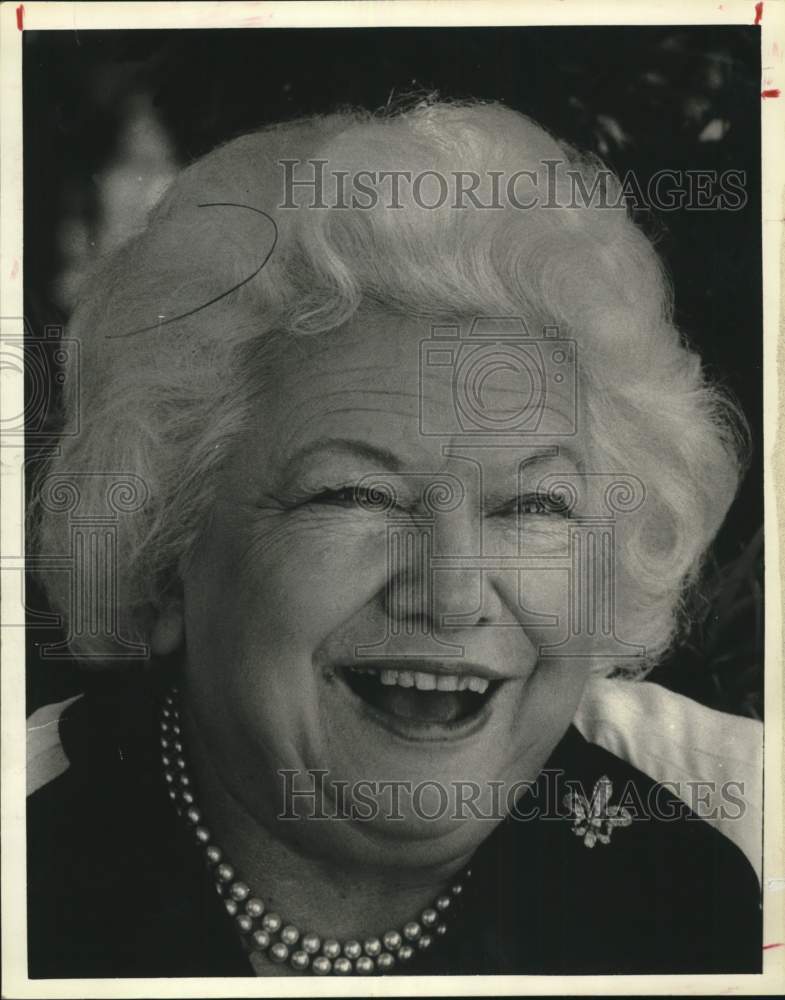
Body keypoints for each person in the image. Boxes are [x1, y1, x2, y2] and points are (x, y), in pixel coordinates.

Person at [27, 99, 762, 977]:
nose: (450, 594)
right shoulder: (28, 878)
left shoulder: (717, 876)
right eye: (355, 494)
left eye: (534, 508)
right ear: (165, 557)